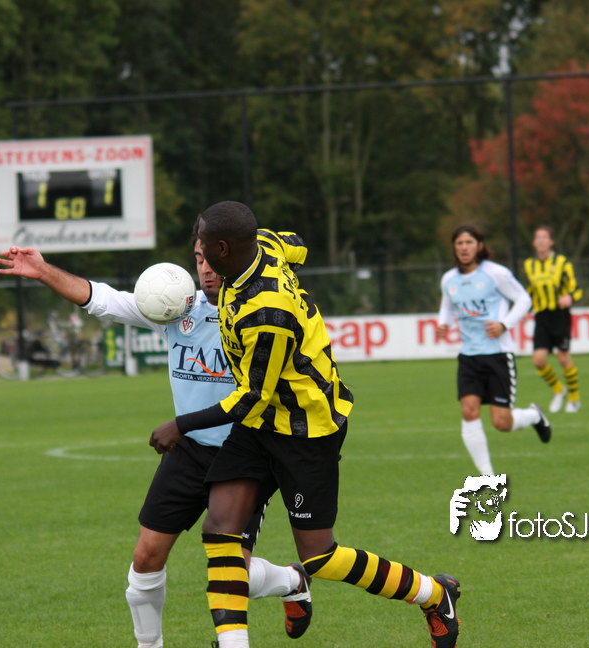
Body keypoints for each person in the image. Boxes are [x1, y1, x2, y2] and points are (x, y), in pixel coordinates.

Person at [149, 201, 460, 648]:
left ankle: (433, 594)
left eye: (204, 248)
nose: (200, 259)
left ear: (224, 248)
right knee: (220, 530)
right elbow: (299, 244)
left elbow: (250, 396)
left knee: (320, 557)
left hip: (305, 430)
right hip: (260, 425)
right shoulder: (265, 245)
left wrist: (180, 425)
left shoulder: (267, 314)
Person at [0, 239, 313, 648]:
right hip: (189, 451)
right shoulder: (176, 305)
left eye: (213, 259)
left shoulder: (260, 312)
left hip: (246, 456)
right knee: (145, 558)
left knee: (234, 574)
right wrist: (43, 271)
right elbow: (104, 300)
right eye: (199, 259)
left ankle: (290, 581)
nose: (206, 268)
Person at [435, 224, 552, 478]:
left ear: (479, 246)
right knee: (469, 411)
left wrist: (504, 324)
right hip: (468, 356)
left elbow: (524, 299)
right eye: (459, 243)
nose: (464, 248)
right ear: (454, 248)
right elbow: (448, 307)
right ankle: (487, 476)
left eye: (469, 242)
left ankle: (534, 415)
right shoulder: (449, 279)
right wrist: (444, 323)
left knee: (501, 423)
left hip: (498, 355)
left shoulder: (496, 273)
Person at [523, 226, 583, 413]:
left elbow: (577, 288)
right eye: (538, 237)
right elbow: (531, 290)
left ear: (551, 242)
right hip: (542, 316)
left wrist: (569, 297)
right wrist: (524, 308)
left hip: (560, 315)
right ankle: (559, 390)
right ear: (534, 243)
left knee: (563, 358)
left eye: (544, 237)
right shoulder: (529, 265)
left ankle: (574, 398)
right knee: (538, 360)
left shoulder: (562, 262)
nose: (541, 240)